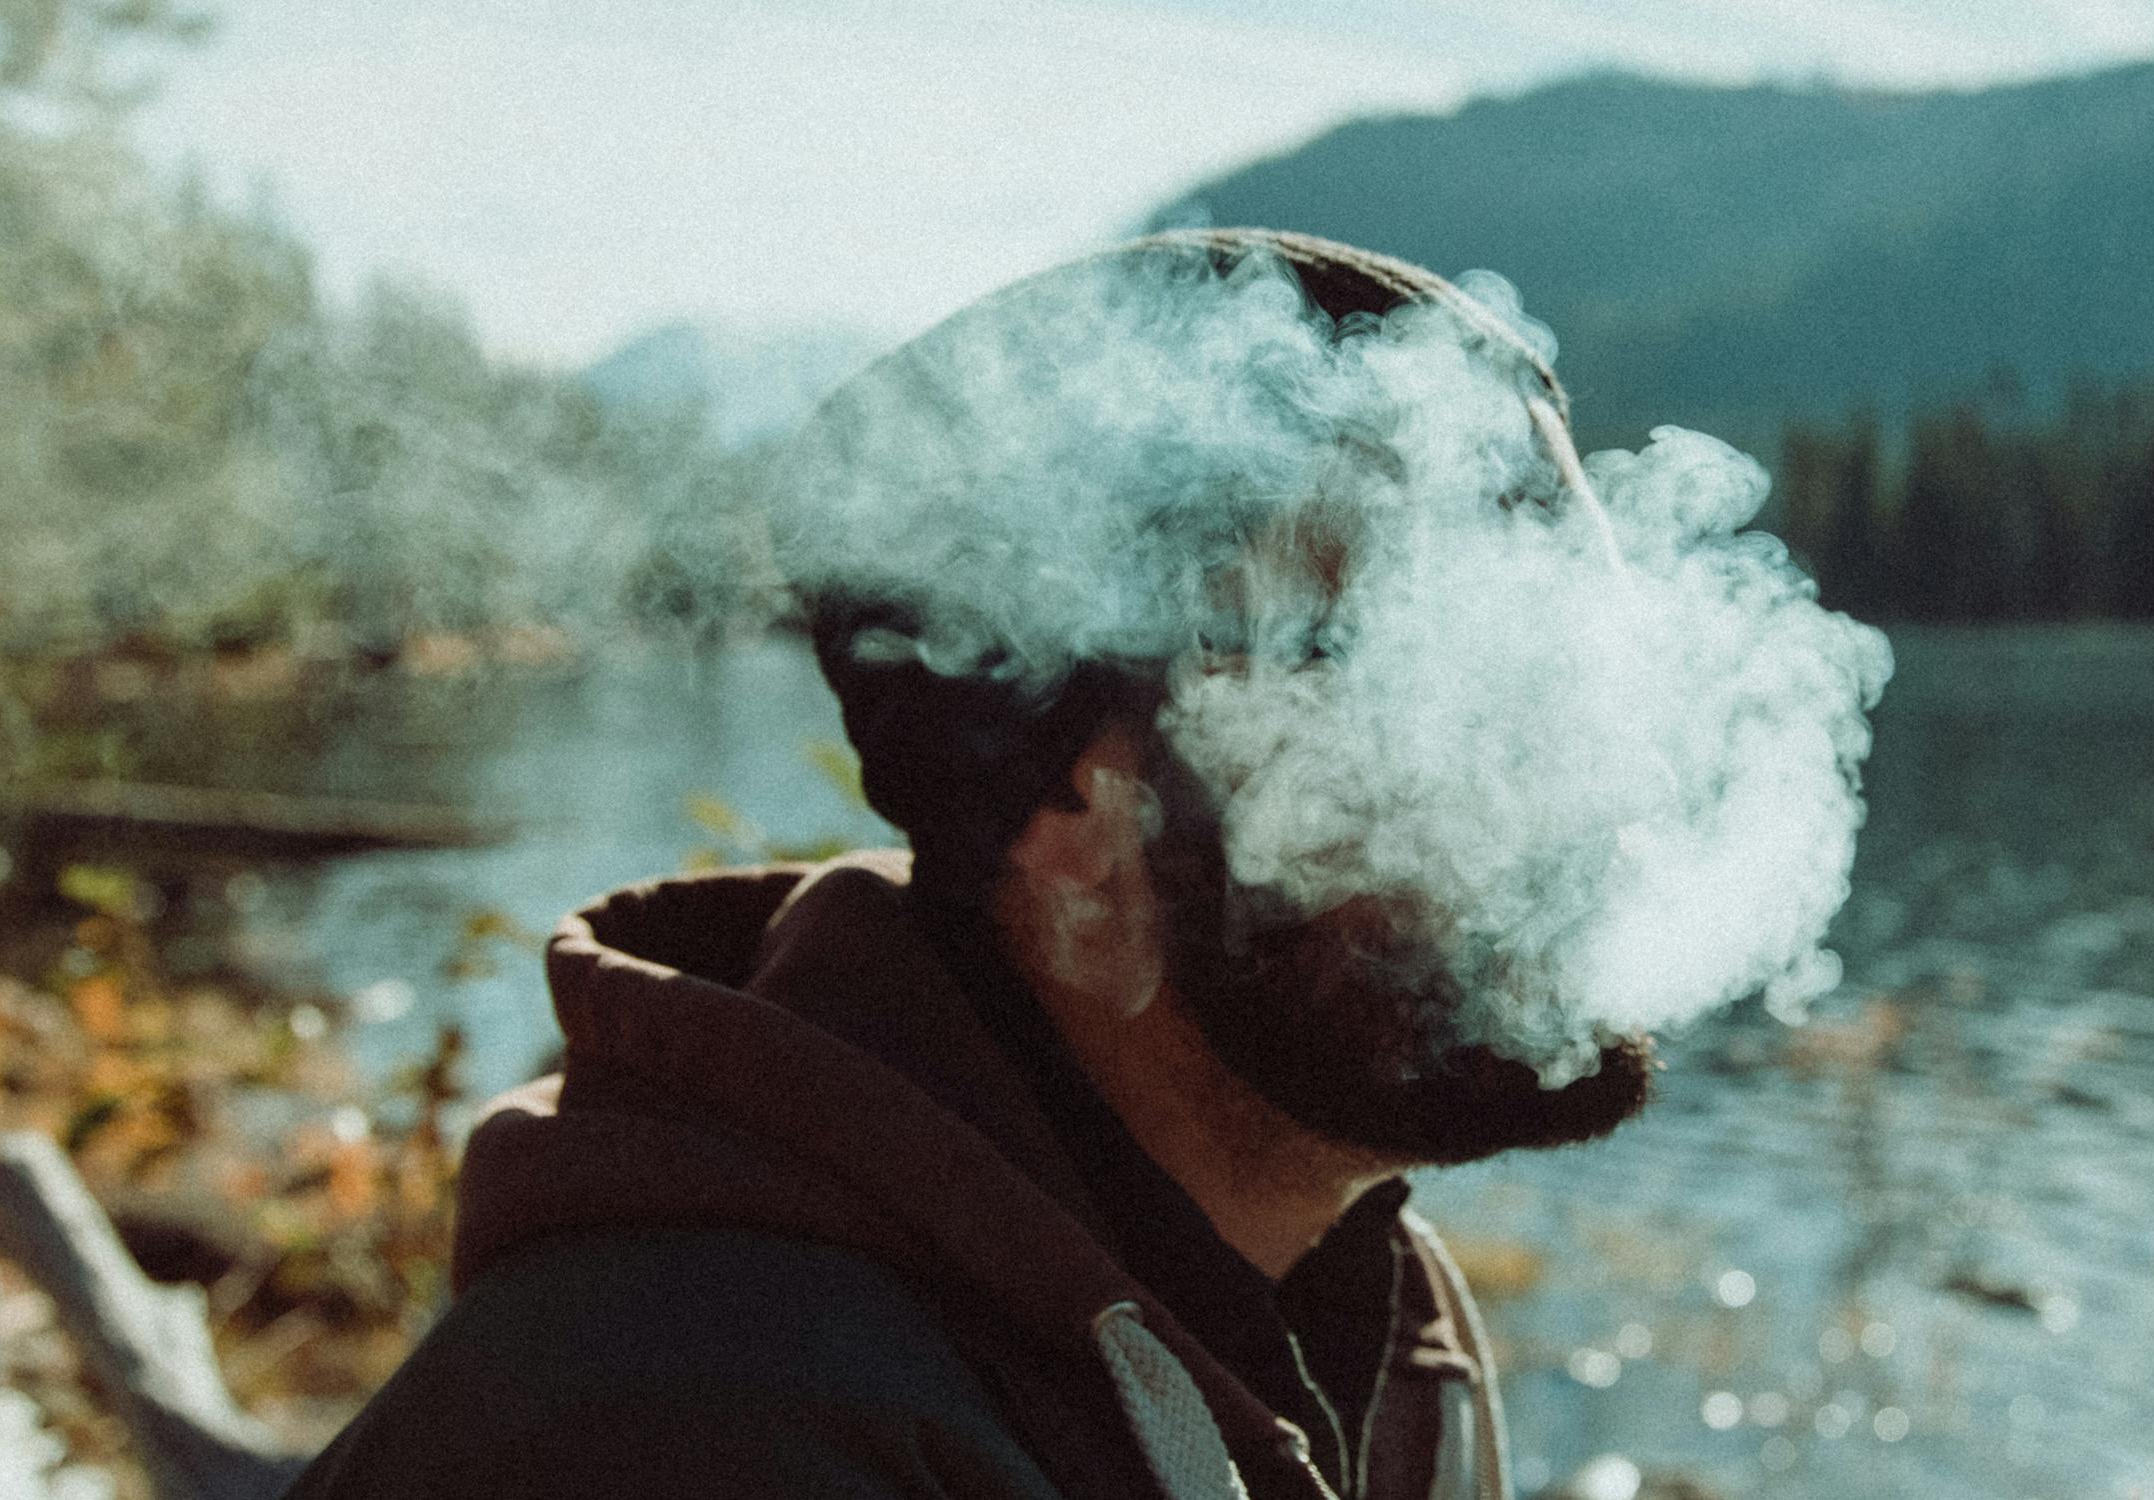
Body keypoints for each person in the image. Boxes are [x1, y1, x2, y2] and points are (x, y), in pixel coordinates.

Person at [285, 228, 1879, 1500]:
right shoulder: (689, 1438)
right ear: (1082, 819)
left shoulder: (1369, 1323)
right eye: (1459, 678)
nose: (1600, 775)